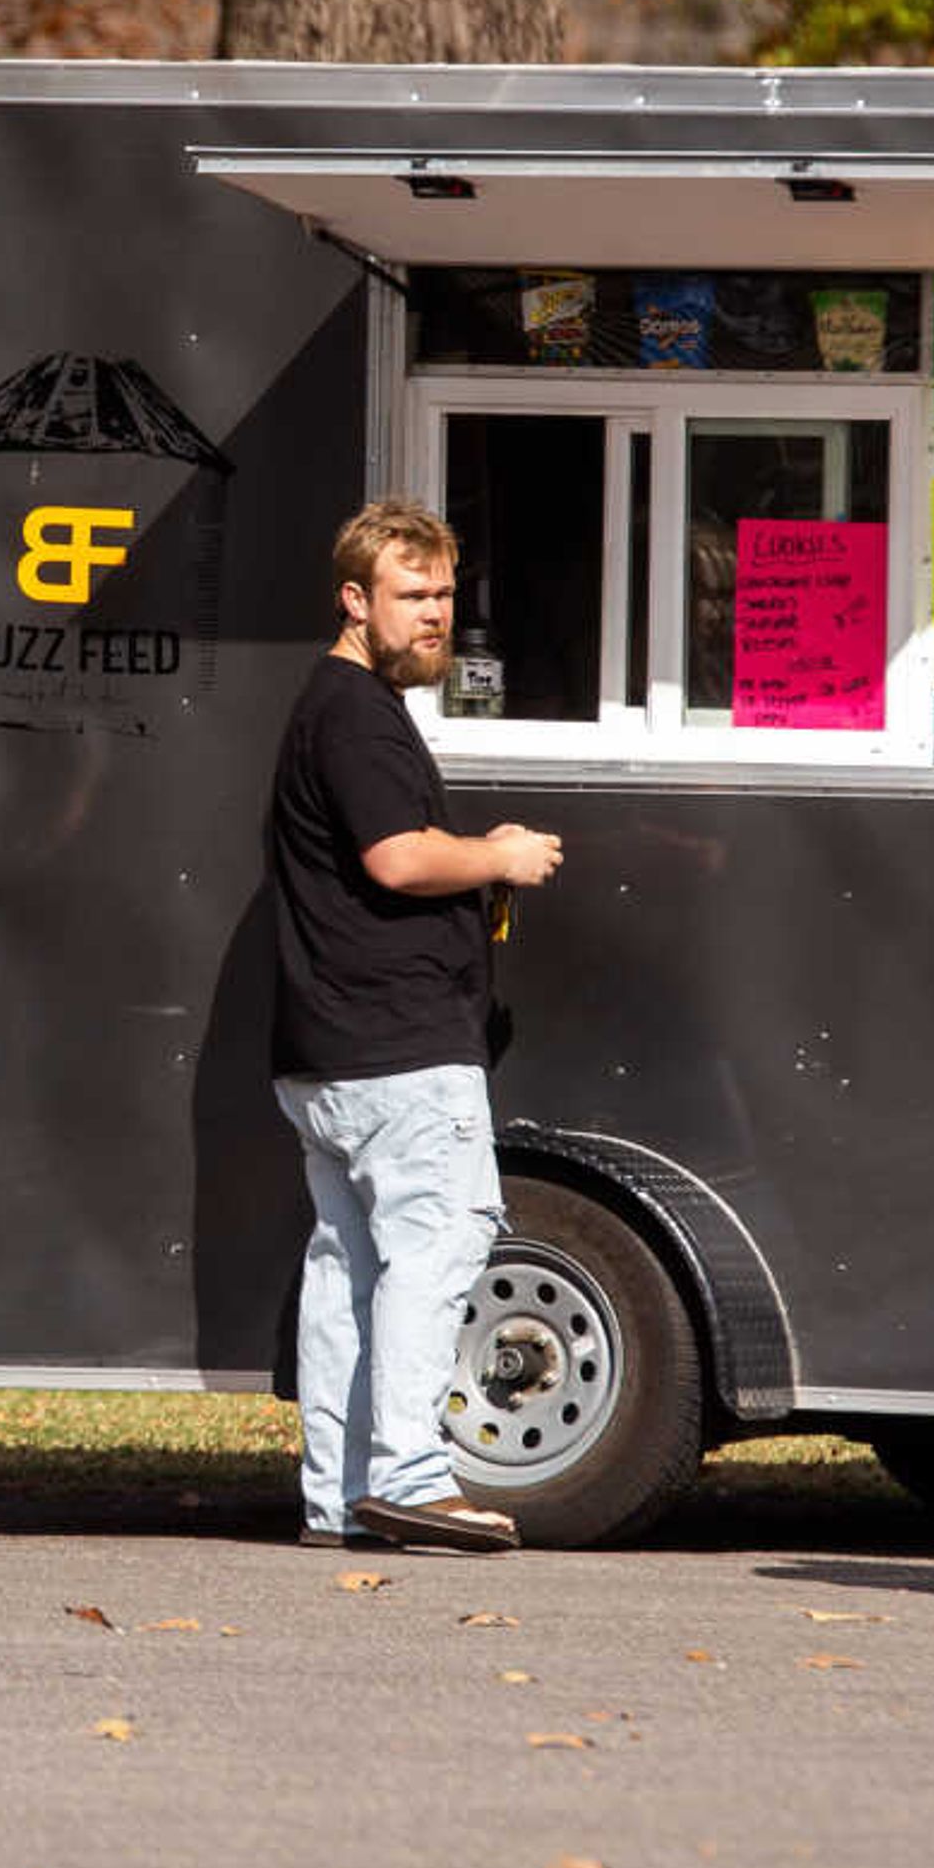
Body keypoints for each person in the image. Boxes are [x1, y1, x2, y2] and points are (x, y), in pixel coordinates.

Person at [267, 499, 560, 1554]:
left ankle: (339, 1491)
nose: (434, 615)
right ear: (356, 600)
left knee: (352, 1266)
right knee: (441, 1243)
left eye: (443, 594)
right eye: (411, 595)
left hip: (330, 1049)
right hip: (394, 1046)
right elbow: (396, 856)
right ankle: (410, 1474)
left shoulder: (339, 705)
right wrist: (497, 855)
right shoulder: (350, 712)